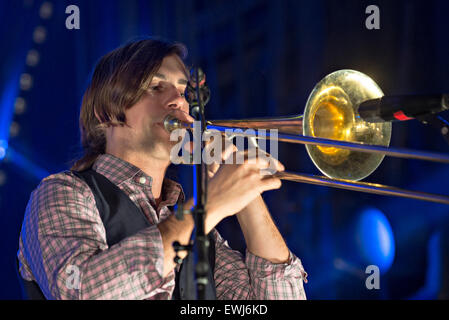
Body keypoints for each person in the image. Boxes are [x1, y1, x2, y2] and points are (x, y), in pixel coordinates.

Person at [16, 38, 307, 300]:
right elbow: (83, 292)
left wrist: (245, 189)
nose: (179, 101)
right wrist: (210, 205)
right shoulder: (62, 192)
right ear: (105, 112)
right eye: (156, 87)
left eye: (182, 91)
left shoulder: (190, 220)